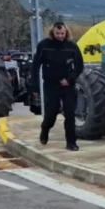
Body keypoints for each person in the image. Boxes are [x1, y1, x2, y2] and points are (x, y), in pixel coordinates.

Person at [31, 22, 84, 151]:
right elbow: (35, 67)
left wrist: (70, 79)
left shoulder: (72, 46)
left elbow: (80, 66)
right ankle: (45, 129)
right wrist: (35, 88)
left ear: (66, 33)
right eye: (57, 33)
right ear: (52, 33)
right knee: (52, 112)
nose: (60, 36)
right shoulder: (44, 46)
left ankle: (71, 142)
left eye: (62, 33)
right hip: (51, 85)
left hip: (68, 85)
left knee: (70, 113)